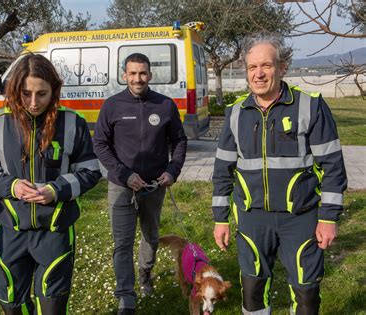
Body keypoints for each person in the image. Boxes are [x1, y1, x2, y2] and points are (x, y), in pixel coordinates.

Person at [211, 33, 347, 315]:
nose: (258, 74)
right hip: (252, 219)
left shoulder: (309, 106)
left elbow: (333, 165)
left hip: (300, 218)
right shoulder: (235, 113)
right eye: (252, 67)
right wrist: (220, 220)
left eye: (266, 66)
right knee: (253, 290)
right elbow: (223, 169)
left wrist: (328, 218)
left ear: (282, 67)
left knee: (306, 292)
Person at [0, 54, 101, 314]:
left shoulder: (72, 122)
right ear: (14, 89)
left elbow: (90, 171)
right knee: (11, 302)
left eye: (42, 94)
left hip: (55, 228)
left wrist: (56, 190)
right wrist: (12, 187)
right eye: (25, 93)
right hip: (12, 228)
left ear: (54, 90)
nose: (34, 102)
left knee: (52, 305)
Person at [93, 53, 187, 314]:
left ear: (150, 75)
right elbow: (100, 144)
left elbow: (179, 141)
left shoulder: (165, 105)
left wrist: (172, 170)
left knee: (151, 236)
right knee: (122, 243)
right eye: (132, 73)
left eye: (143, 73)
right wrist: (124, 174)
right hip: (121, 186)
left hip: (154, 186)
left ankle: (145, 273)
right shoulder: (112, 106)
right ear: (124, 75)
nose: (138, 78)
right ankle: (126, 297)